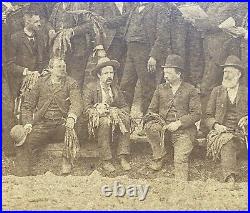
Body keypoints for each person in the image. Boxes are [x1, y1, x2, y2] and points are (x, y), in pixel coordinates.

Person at [14, 58, 82, 176]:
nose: (62, 69)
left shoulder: (71, 83)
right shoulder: (40, 83)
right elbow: (27, 105)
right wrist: (28, 123)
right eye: (59, 66)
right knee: (25, 142)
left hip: (62, 124)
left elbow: (77, 103)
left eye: (63, 66)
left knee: (70, 134)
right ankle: (22, 175)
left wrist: (71, 117)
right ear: (50, 69)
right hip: (42, 125)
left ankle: (66, 165)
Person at [144, 54, 201, 181]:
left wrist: (179, 123)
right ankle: (159, 156)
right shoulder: (160, 88)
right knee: (150, 127)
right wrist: (159, 122)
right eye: (164, 72)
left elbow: (196, 113)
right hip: (164, 127)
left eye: (169, 73)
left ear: (179, 73)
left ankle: (180, 186)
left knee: (180, 160)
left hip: (184, 131)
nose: (165, 76)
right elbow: (151, 110)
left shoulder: (190, 90)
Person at [120, 2, 171, 116]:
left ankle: (148, 121)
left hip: (145, 51)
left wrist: (153, 56)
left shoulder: (159, 7)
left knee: (147, 86)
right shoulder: (135, 7)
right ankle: (123, 119)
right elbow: (122, 20)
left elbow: (162, 34)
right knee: (125, 84)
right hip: (130, 50)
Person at [82, 56, 132, 173]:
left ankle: (122, 156)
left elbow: (125, 106)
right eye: (106, 73)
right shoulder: (90, 88)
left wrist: (116, 112)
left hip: (113, 121)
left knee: (125, 118)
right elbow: (85, 109)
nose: (110, 76)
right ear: (99, 75)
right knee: (104, 122)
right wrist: (97, 111)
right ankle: (106, 160)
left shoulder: (115, 88)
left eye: (111, 72)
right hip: (93, 125)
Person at [206, 55, 247, 186]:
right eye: (224, 72)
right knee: (227, 143)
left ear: (239, 74)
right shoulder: (216, 91)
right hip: (224, 133)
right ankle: (230, 177)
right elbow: (207, 116)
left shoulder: (246, 92)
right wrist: (216, 125)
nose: (226, 75)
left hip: (244, 132)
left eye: (229, 72)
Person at [48, 2, 94, 88]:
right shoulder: (58, 5)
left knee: (75, 80)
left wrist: (72, 31)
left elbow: (89, 25)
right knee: (60, 77)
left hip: (77, 50)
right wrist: (51, 30)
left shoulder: (80, 4)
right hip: (61, 51)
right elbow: (50, 22)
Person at [7, 9, 47, 103]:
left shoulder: (40, 37)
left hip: (39, 80)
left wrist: (43, 71)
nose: (39, 24)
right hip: (20, 82)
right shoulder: (15, 38)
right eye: (36, 21)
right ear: (27, 22)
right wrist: (27, 72)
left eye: (39, 21)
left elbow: (45, 59)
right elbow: (9, 65)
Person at [92, 2, 137, 84]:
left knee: (126, 76)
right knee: (109, 74)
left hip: (127, 45)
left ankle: (120, 96)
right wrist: (99, 46)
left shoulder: (132, 4)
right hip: (110, 44)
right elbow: (96, 25)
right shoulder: (101, 3)